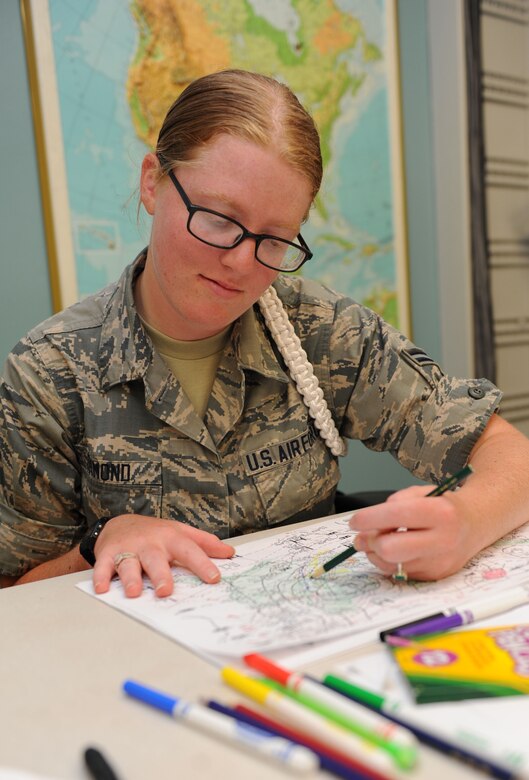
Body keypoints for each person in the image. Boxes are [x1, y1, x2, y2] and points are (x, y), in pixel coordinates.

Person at [1, 69, 528, 599]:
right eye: (217, 219)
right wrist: (99, 541)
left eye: (275, 240)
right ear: (152, 182)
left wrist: (463, 519)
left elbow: (508, 454)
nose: (239, 262)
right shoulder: (50, 373)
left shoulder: (319, 329)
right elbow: (13, 592)